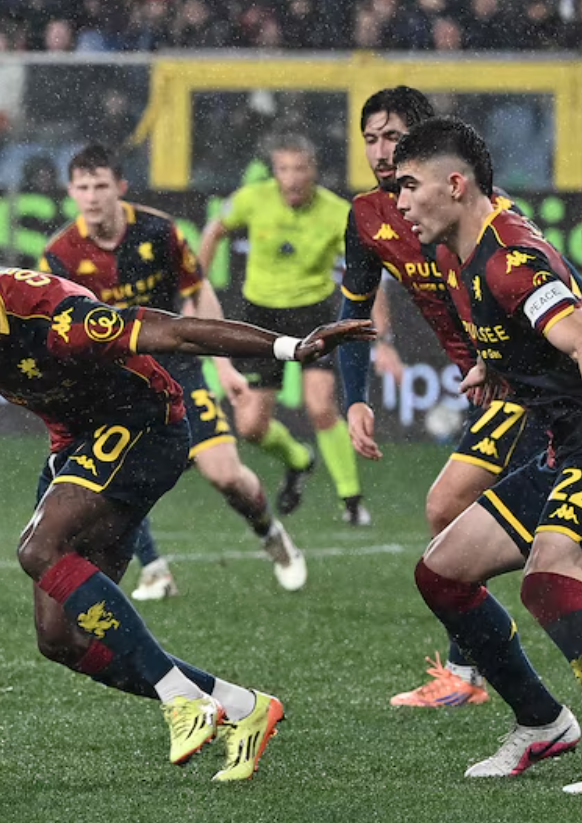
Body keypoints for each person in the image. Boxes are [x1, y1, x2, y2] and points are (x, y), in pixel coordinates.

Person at [0, 239, 376, 779]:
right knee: (61, 639)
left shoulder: (62, 321)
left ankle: (181, 699)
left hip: (144, 426)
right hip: (76, 445)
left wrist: (291, 347)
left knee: (38, 549)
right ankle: (244, 707)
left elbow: (178, 332)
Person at [336, 86, 548, 708]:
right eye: (370, 139)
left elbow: (553, 285)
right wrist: (355, 397)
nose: (380, 151)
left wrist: (502, 359)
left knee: (466, 515)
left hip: (530, 387)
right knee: (462, 519)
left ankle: (475, 677)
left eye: (393, 137)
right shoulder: (368, 216)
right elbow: (354, 314)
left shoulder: (482, 213)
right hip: (490, 385)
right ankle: (472, 675)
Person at [395, 116, 582, 785]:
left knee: (550, 576)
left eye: (409, 184)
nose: (400, 201)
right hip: (562, 446)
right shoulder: (465, 253)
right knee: (442, 573)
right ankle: (542, 722)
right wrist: (495, 364)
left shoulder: (508, 259)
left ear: (455, 184)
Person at [40, 143, 306, 598]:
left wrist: (223, 366)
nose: (92, 196)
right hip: (116, 377)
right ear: (71, 192)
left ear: (120, 187)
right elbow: (56, 324)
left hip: (176, 365)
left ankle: (269, 532)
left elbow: (198, 293)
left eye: (101, 185)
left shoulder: (159, 231)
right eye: (83, 187)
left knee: (226, 475)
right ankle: (155, 570)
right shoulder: (60, 254)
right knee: (114, 479)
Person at [198, 134, 369, 526]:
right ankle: (299, 459)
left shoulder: (337, 213)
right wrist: (197, 283)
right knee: (250, 426)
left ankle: (351, 500)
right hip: (262, 316)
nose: (291, 178)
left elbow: (364, 269)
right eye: (284, 169)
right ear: (274, 171)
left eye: (299, 169)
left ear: (314, 170)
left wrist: (379, 328)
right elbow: (215, 229)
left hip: (314, 314)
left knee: (321, 406)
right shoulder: (252, 198)